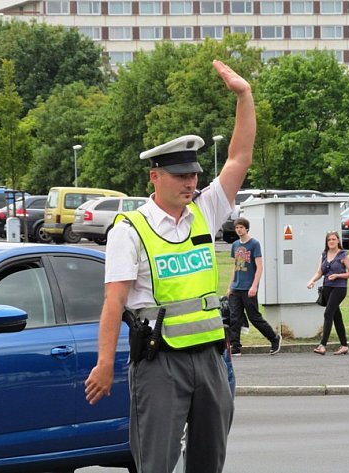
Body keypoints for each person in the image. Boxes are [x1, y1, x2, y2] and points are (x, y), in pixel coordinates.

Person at [84, 59, 255, 473]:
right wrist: (104, 363)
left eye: (194, 174)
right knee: (156, 462)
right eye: (180, 175)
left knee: (208, 460)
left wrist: (244, 96)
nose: (190, 183)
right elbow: (113, 303)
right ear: (154, 177)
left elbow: (239, 158)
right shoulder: (130, 229)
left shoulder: (205, 212)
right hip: (160, 362)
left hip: (211, 359)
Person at [227, 217, 281, 356]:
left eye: (241, 227)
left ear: (246, 228)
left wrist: (254, 286)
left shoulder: (254, 244)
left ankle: (274, 338)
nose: (239, 230)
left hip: (248, 288)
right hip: (236, 287)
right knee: (234, 318)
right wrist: (230, 286)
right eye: (237, 227)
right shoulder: (235, 245)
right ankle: (235, 346)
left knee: (254, 317)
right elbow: (234, 267)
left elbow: (259, 267)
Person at [306, 231, 349, 355]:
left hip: (339, 288)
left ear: (338, 241)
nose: (331, 242)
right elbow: (320, 272)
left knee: (328, 313)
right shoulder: (324, 254)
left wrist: (338, 275)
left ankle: (322, 345)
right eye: (329, 240)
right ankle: (344, 345)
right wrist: (312, 281)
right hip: (327, 287)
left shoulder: (343, 255)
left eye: (334, 239)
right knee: (336, 316)